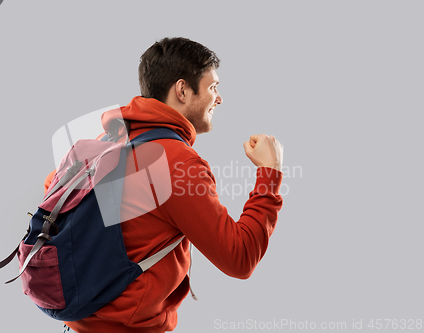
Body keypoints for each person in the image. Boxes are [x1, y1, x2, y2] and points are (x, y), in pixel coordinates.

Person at [45, 37, 284, 333]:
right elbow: (239, 258)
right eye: (213, 87)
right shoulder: (176, 162)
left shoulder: (104, 143)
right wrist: (269, 173)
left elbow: (52, 194)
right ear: (182, 90)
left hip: (77, 322)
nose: (219, 98)